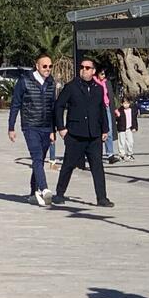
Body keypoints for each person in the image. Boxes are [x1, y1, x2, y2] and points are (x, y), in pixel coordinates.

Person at [53, 58, 113, 207]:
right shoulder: (71, 87)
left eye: (87, 68)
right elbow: (59, 106)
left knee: (97, 167)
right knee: (68, 165)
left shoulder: (98, 88)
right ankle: (59, 194)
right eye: (82, 67)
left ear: (93, 71)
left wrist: (105, 129)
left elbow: (102, 109)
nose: (84, 70)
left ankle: (102, 198)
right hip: (75, 134)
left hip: (94, 135)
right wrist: (61, 128)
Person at [8, 54, 57, 207]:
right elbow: (15, 104)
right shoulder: (24, 81)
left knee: (39, 161)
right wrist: (11, 127)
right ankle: (44, 189)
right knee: (36, 158)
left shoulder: (51, 82)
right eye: (44, 66)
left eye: (50, 66)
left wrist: (53, 130)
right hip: (30, 126)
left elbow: (53, 107)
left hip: (46, 127)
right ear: (37, 66)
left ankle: (32, 193)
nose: (48, 69)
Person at [95, 69, 117, 163]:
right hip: (97, 108)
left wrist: (114, 108)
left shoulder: (106, 82)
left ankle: (110, 154)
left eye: (104, 74)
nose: (103, 76)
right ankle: (96, 154)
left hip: (107, 107)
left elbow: (111, 96)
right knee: (97, 131)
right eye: (101, 74)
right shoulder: (93, 82)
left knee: (109, 130)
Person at [115, 96, 139, 161]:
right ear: (122, 104)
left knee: (130, 142)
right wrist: (117, 115)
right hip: (121, 129)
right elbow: (116, 119)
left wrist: (135, 127)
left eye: (127, 103)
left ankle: (130, 154)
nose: (126, 105)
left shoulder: (132, 110)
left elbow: (134, 120)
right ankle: (122, 155)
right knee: (121, 142)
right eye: (124, 103)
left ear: (129, 103)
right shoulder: (120, 110)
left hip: (129, 129)